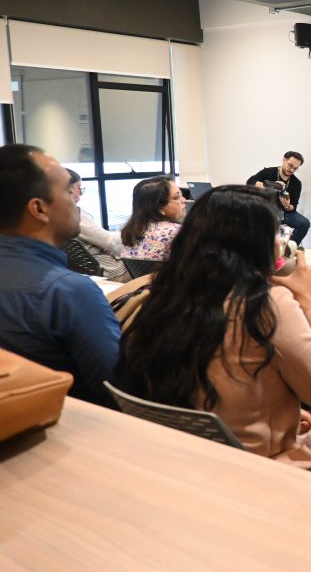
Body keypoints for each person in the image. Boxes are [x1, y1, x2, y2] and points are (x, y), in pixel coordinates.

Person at [113, 185, 311, 478]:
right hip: (257, 470)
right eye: (275, 233)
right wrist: (309, 304)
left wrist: (281, 410)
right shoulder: (267, 304)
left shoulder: (162, 293)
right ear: (257, 243)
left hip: (186, 457)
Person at [0, 144, 120, 406]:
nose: (75, 201)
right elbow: (120, 392)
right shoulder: (67, 292)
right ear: (39, 209)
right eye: (68, 191)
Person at [67, 169, 130, 282]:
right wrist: (130, 233)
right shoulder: (73, 214)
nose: (80, 193)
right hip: (108, 271)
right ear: (68, 189)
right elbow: (109, 241)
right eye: (78, 187)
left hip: (82, 271)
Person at [246, 151, 310, 245]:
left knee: (304, 223)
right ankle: (268, 247)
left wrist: (287, 206)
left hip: (285, 213)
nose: (292, 170)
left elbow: (293, 206)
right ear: (284, 160)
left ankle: (288, 247)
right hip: (267, 209)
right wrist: (271, 185)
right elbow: (250, 182)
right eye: (290, 165)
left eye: (295, 168)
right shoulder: (268, 172)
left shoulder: (296, 183)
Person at [120, 176, 185, 261]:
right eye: (177, 197)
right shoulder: (176, 231)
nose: (184, 200)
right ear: (159, 207)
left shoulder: (132, 230)